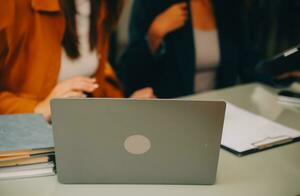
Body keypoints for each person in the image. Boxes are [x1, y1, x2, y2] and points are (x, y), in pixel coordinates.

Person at [0, 0, 155, 121]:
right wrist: (36, 110)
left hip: (76, 130)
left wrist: (124, 107)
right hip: (26, 146)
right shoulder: (11, 5)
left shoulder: (103, 6)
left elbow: (96, 81)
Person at [117, 0, 261, 98]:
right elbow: (130, 73)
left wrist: (274, 74)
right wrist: (154, 34)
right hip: (170, 112)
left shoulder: (230, 6)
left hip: (220, 111)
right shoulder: (152, 4)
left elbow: (247, 61)